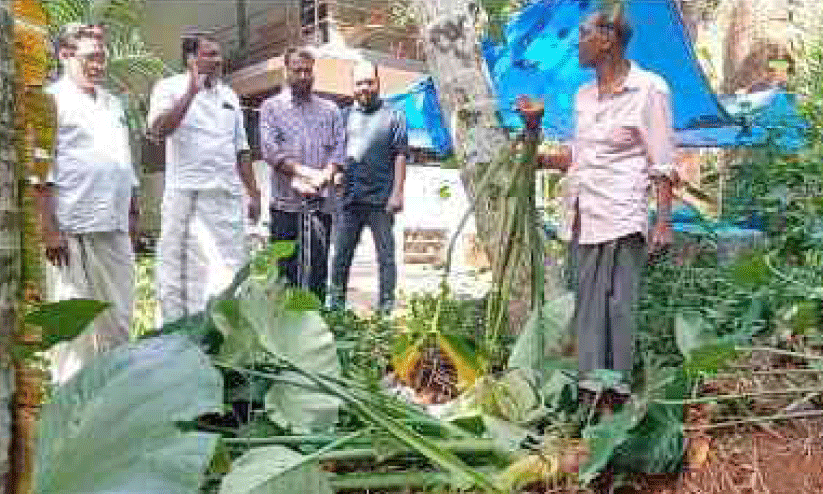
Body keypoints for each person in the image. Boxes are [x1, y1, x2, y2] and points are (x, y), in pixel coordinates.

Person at [530, 8, 677, 407]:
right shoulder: (583, 97)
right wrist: (540, 156)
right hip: (584, 214)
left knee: (618, 308)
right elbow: (582, 156)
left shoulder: (649, 90)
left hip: (622, 215)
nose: (576, 43)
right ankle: (591, 392)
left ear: (607, 38)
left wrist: (663, 222)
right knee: (588, 309)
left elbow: (662, 162)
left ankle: (618, 393)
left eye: (583, 34)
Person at [35, 32, 140, 384]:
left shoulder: (113, 103)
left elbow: (124, 160)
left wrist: (133, 210)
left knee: (119, 317)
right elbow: (39, 170)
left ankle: (114, 395)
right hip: (71, 229)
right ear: (65, 55)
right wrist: (48, 229)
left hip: (113, 225)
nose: (97, 65)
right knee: (74, 327)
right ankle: (71, 402)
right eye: (89, 57)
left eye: (101, 57)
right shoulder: (49, 101)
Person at [148, 33, 260, 324]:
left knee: (230, 272)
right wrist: (191, 93)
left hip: (226, 198)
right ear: (191, 59)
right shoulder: (168, 87)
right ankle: (178, 343)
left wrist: (254, 192)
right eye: (210, 54)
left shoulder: (230, 95)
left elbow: (242, 149)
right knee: (181, 278)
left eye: (218, 54)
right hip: (187, 198)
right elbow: (158, 130)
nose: (219, 60)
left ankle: (221, 341)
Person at [259, 47, 345, 301]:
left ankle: (315, 331)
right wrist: (307, 174)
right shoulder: (271, 108)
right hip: (285, 205)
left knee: (317, 273)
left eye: (308, 71)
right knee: (285, 273)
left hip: (320, 206)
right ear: (286, 72)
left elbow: (339, 151)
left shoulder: (330, 110)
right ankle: (283, 332)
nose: (304, 76)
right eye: (297, 70)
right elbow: (271, 151)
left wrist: (325, 176)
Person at [330, 60, 408, 313]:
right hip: (349, 200)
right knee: (341, 257)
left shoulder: (394, 115)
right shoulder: (342, 117)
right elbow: (335, 154)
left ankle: (385, 311)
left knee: (386, 258)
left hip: (381, 201)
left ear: (378, 82)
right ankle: (336, 308)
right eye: (359, 82)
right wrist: (336, 176)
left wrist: (397, 192)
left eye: (369, 82)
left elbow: (400, 155)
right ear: (352, 86)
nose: (364, 87)